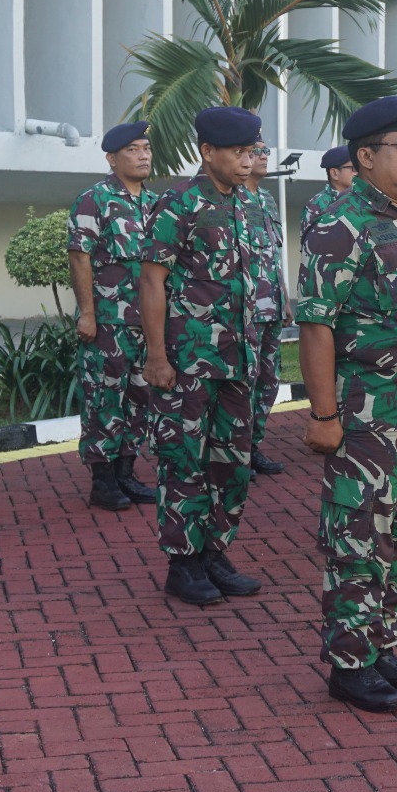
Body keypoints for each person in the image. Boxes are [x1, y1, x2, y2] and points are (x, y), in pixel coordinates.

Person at [296, 96, 397, 712]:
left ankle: (386, 646)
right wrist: (322, 415)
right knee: (361, 542)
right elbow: (316, 324)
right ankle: (349, 663)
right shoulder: (339, 225)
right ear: (366, 156)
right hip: (371, 418)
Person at [140, 106, 264, 606]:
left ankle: (215, 551)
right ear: (207, 152)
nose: (247, 160)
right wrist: (156, 357)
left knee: (231, 462)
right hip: (189, 360)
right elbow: (152, 280)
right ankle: (183, 563)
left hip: (238, 360)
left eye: (252, 151)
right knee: (183, 461)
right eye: (238, 152)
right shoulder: (179, 204)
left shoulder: (249, 205)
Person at [68, 120, 160, 512]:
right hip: (108, 321)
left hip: (147, 322)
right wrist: (88, 313)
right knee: (105, 399)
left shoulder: (155, 204)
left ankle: (126, 472)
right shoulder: (95, 200)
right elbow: (79, 257)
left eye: (146, 148)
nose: (143, 156)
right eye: (134, 149)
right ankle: (102, 481)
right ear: (112, 158)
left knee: (140, 397)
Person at [242, 135, 290, 476]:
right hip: (246, 309)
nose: (262, 157)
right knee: (244, 380)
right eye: (256, 151)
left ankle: (253, 445)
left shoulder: (268, 200)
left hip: (272, 303)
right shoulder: (234, 199)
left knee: (268, 378)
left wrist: (285, 296)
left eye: (265, 151)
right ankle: (236, 450)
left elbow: (274, 254)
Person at [301, 146, 356, 232]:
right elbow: (312, 243)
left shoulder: (362, 199)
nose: (359, 172)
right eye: (354, 168)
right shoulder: (317, 206)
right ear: (334, 173)